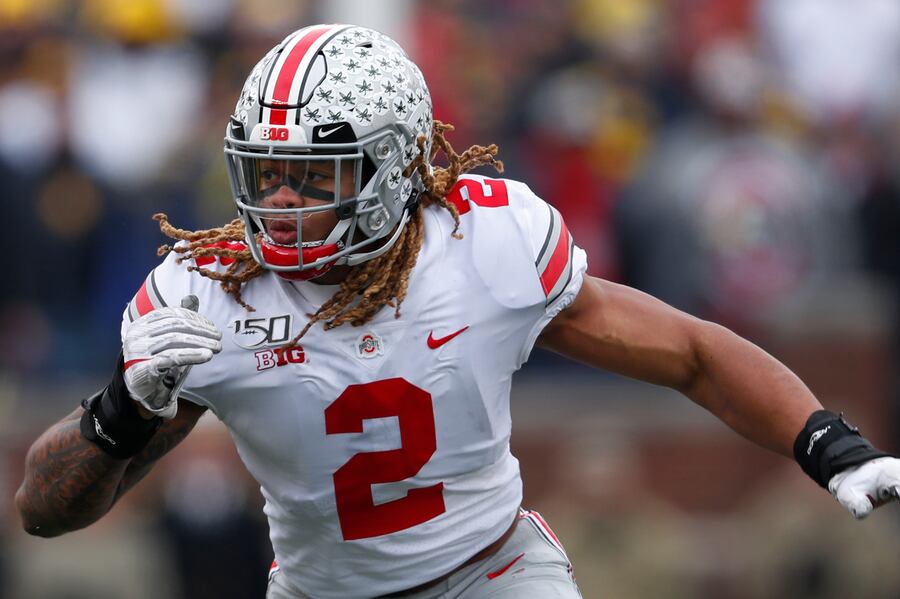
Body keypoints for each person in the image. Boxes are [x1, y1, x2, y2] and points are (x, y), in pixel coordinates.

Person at [14, 24, 900, 599]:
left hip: (494, 573)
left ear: (393, 168)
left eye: (313, 176)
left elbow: (692, 353)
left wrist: (827, 443)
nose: (279, 200)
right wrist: (120, 413)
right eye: (265, 171)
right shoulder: (209, 293)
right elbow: (44, 511)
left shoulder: (482, 243)